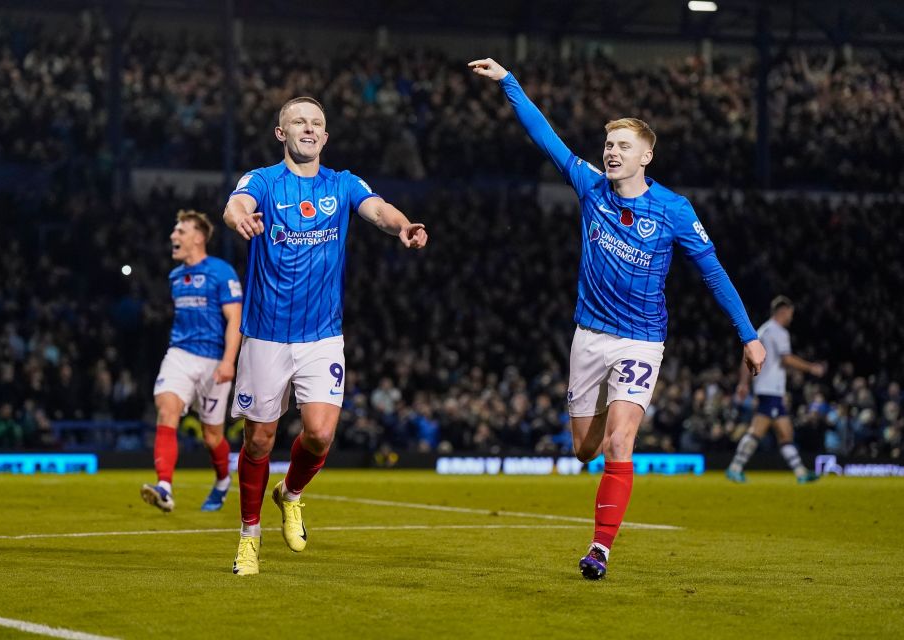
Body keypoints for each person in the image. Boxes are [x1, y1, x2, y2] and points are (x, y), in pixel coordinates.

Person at [469, 58, 766, 580]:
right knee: (585, 449)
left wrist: (749, 335)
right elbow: (547, 138)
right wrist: (510, 82)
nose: (611, 151)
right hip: (589, 338)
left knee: (619, 442)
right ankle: (603, 418)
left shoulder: (674, 209)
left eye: (623, 145)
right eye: (609, 144)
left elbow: (714, 273)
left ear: (646, 155)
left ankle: (599, 550)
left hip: (641, 341)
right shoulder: (590, 188)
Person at [223, 96, 428, 576]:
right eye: (298, 121)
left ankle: (290, 495)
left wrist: (402, 226)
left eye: (316, 123)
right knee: (258, 442)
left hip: (321, 335)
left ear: (326, 136)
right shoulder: (262, 181)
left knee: (319, 434)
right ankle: (249, 535)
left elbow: (377, 210)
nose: (308, 128)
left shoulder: (342, 183)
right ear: (281, 133)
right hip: (266, 334)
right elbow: (236, 205)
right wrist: (240, 220)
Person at [140, 210, 243, 513]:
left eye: (180, 231)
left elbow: (234, 318)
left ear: (198, 238)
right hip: (180, 355)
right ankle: (165, 487)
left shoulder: (221, 272)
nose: (174, 236)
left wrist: (228, 361)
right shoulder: (175, 277)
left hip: (214, 362)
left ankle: (223, 481)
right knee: (167, 409)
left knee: (212, 436)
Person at [727, 296, 825, 484]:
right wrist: (811, 368)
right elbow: (786, 359)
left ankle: (801, 473)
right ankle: (735, 467)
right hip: (771, 389)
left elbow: (746, 357)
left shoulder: (762, 330)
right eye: (790, 313)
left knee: (786, 433)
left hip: (767, 389)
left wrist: (744, 383)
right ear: (783, 312)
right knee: (757, 431)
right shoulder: (779, 332)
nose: (791, 317)